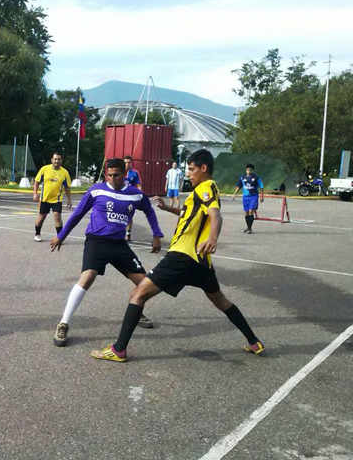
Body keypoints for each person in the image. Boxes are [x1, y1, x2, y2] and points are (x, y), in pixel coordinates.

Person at [91, 149, 264, 363]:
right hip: (201, 262)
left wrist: (213, 238)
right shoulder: (201, 192)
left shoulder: (206, 187)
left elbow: (215, 215)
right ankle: (254, 342)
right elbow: (189, 213)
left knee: (138, 294)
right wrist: (167, 208)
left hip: (182, 256)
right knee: (221, 301)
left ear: (203, 168)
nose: (188, 174)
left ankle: (118, 350)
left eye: (191, 169)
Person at [50, 158, 162, 346]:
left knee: (145, 284)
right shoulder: (97, 190)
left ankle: (135, 308)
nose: (112, 178)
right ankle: (63, 323)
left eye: (116, 175)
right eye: (109, 175)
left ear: (124, 174)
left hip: (119, 244)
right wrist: (62, 235)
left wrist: (156, 233)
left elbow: (149, 211)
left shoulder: (135, 194)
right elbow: (77, 213)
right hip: (97, 241)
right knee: (87, 276)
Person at [33, 153, 72, 242]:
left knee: (57, 216)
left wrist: (69, 200)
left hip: (57, 200)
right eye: (55, 159)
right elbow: (37, 181)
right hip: (45, 199)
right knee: (41, 217)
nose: (57, 161)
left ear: (61, 161)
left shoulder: (64, 172)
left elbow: (67, 187)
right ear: (51, 160)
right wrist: (35, 193)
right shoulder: (44, 169)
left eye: (58, 159)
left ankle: (60, 236)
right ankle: (37, 234)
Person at [232, 163, 264, 234]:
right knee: (246, 212)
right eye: (247, 170)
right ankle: (248, 227)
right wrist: (234, 194)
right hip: (245, 197)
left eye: (250, 170)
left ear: (253, 170)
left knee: (250, 211)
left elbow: (261, 187)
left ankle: (250, 228)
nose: (249, 171)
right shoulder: (242, 178)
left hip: (253, 196)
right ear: (246, 170)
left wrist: (262, 196)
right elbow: (238, 186)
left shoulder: (256, 178)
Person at [123, 156, 142, 241]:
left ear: (131, 163)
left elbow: (138, 185)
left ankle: (128, 233)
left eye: (128, 162)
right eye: (125, 162)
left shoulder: (135, 173)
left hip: (130, 198)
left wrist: (141, 195)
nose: (127, 164)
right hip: (120, 197)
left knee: (129, 216)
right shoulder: (120, 171)